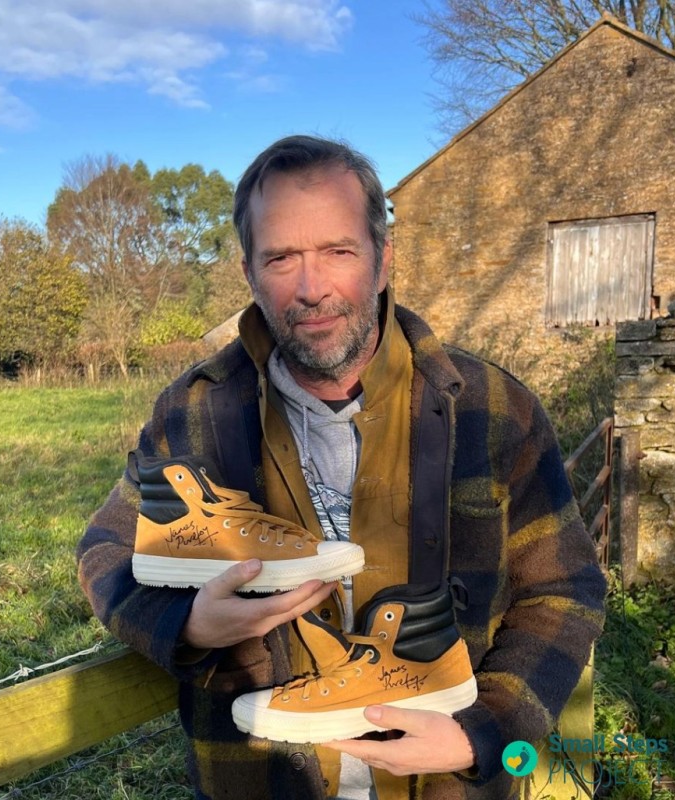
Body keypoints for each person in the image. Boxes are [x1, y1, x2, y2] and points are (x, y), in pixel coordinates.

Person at [77, 134, 606, 800]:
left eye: (338, 251)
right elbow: (107, 550)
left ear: (382, 260)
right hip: (257, 781)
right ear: (248, 272)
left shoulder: (492, 409)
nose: (310, 287)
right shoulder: (195, 412)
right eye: (281, 258)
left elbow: (565, 588)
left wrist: (487, 731)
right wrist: (185, 626)